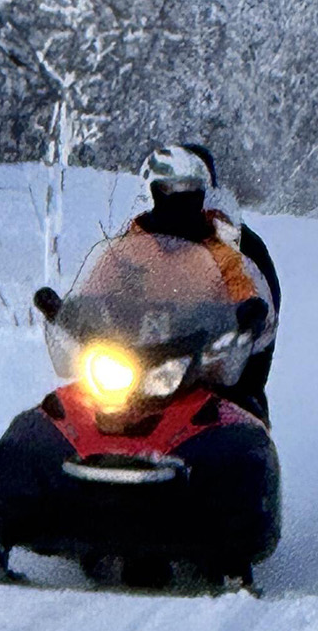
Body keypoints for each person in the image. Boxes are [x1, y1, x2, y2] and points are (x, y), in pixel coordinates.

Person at [130, 143, 279, 423]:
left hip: (214, 369)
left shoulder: (234, 244)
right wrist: (82, 314)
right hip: (139, 366)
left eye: (186, 184)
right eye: (168, 186)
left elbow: (260, 308)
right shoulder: (139, 237)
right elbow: (116, 280)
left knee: (238, 422)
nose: (176, 193)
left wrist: (241, 325)